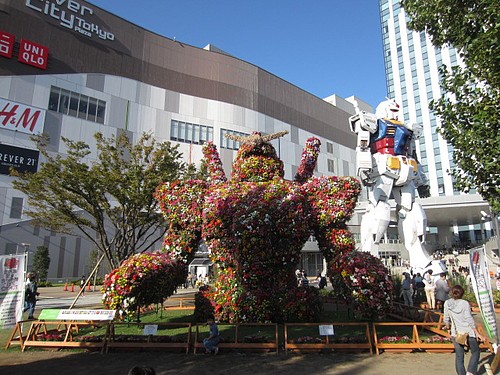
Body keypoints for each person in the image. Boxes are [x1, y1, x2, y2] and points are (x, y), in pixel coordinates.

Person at [443, 285, 485, 375]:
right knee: (475, 351)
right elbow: (469, 319)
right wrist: (477, 333)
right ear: (462, 294)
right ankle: (470, 372)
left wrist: (447, 326)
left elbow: (446, 318)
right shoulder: (465, 303)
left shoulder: (447, 303)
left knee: (459, 356)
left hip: (456, 332)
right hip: (468, 332)